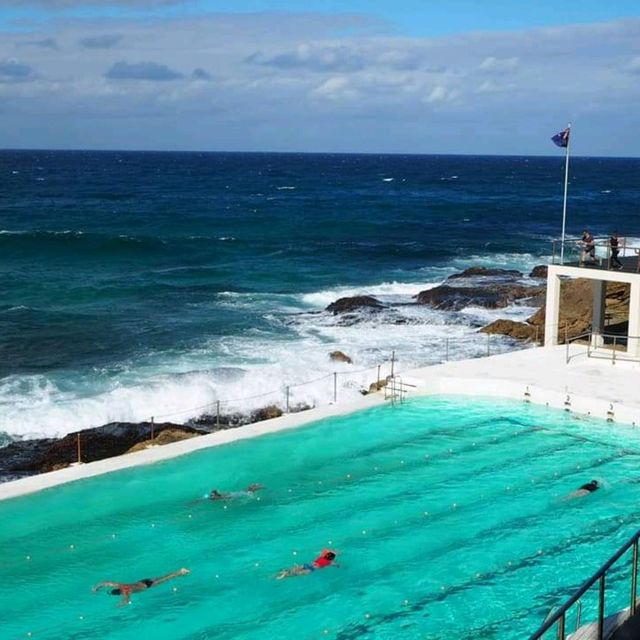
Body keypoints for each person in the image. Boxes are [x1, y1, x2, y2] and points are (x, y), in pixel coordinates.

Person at [92, 568, 190, 606]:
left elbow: (126, 601)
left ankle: (181, 572)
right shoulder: (121, 585)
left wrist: (118, 606)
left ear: (119, 593)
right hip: (143, 580)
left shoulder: (126, 592)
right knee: (162, 577)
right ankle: (180, 571)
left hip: (147, 586)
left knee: (166, 579)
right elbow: (106, 582)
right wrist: (97, 587)